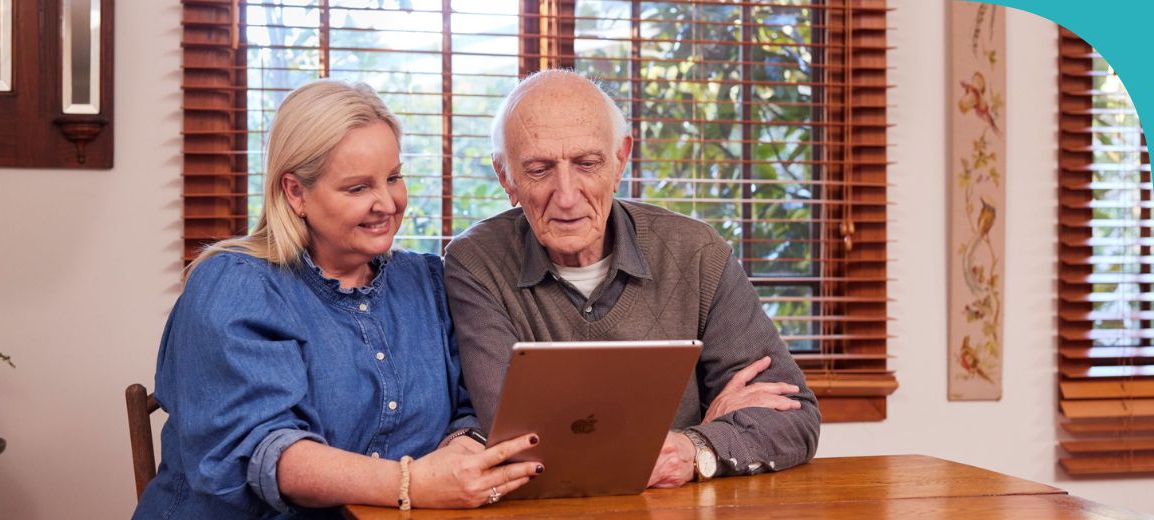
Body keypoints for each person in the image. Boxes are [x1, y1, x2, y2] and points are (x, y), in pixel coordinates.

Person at [134, 79, 542, 519]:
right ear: (296, 192)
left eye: (393, 177)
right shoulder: (235, 284)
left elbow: (472, 404)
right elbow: (264, 454)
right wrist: (415, 483)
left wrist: (462, 449)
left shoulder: (427, 280)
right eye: (357, 188)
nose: (387, 202)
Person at [444, 70, 821, 489]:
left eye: (587, 164)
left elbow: (795, 417)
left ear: (620, 159)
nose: (567, 196)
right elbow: (520, 449)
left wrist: (695, 447)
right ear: (505, 176)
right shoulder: (475, 263)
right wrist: (707, 426)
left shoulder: (695, 251)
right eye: (539, 169)